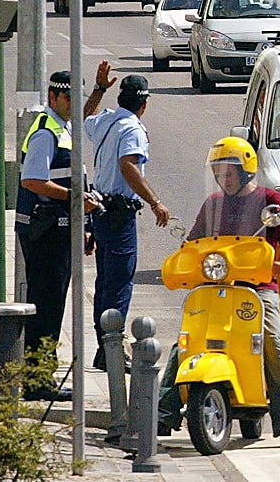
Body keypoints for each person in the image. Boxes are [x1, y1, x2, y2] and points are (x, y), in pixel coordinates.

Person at [157, 137, 280, 448]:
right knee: (184, 343)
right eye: (219, 173)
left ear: (247, 171)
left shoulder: (268, 199)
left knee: (273, 342)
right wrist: (182, 260)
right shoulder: (213, 203)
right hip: (217, 286)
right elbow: (196, 240)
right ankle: (164, 413)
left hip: (258, 287)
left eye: (229, 173)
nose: (224, 180)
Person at [16, 71, 98, 402]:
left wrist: (85, 225)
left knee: (52, 305)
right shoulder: (46, 133)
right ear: (53, 98)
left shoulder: (64, 128)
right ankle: (37, 381)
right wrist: (76, 200)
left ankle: (40, 376)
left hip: (59, 231)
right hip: (44, 234)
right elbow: (32, 181)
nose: (73, 105)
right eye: (68, 99)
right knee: (46, 307)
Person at [83, 63, 170, 371]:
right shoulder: (132, 128)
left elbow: (85, 117)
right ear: (144, 105)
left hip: (102, 210)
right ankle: (112, 350)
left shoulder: (107, 119)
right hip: (119, 215)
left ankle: (103, 346)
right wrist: (156, 202)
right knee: (118, 283)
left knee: (106, 281)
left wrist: (98, 88)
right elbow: (128, 166)